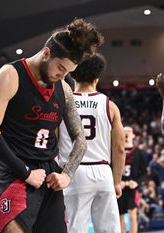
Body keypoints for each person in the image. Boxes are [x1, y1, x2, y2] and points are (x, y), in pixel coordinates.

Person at [0, 18, 104, 233]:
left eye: (68, 72)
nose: (62, 76)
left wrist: (67, 174)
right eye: (61, 68)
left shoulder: (64, 89)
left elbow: (80, 139)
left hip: (48, 175)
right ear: (47, 53)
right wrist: (25, 172)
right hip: (14, 171)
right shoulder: (11, 74)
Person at [58, 53, 125, 233]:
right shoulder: (109, 105)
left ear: (72, 74)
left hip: (73, 172)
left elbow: (53, 141)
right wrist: (117, 181)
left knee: (74, 229)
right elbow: (119, 148)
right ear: (97, 78)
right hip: (103, 172)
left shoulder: (63, 102)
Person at [117, 126, 147, 233]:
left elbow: (144, 173)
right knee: (120, 217)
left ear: (133, 135)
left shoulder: (139, 152)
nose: (126, 133)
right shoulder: (116, 151)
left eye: (129, 131)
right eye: (124, 131)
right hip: (119, 188)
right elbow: (112, 169)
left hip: (133, 189)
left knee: (132, 216)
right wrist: (116, 182)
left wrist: (137, 183)